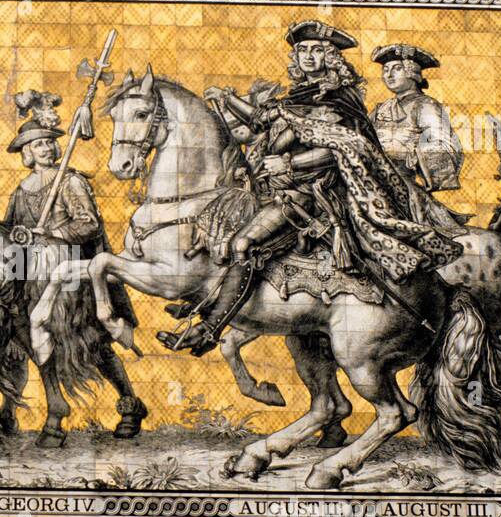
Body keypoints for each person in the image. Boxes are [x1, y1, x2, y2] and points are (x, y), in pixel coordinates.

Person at [161, 20, 462, 355]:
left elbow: (340, 150)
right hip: (280, 188)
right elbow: (262, 120)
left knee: (244, 243)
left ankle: (209, 331)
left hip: (312, 195)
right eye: (302, 50)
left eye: (317, 50)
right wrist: (228, 99)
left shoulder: (339, 100)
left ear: (331, 57)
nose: (307, 56)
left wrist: (290, 165)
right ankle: (207, 303)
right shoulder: (300, 95)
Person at [2, 109, 146, 435]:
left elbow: (90, 225)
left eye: (51, 143)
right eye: (39, 145)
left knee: (92, 344)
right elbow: (10, 233)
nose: (48, 149)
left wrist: (54, 234)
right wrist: (17, 253)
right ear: (27, 152)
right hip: (33, 277)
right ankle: (36, 411)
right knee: (29, 340)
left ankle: (129, 404)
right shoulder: (21, 190)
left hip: (70, 272)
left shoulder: (70, 180)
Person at [370, 43, 464, 192]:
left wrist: (413, 153)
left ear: (411, 72)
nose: (389, 75)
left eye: (397, 69)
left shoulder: (426, 105)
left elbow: (445, 146)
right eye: (386, 70)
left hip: (405, 184)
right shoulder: (381, 108)